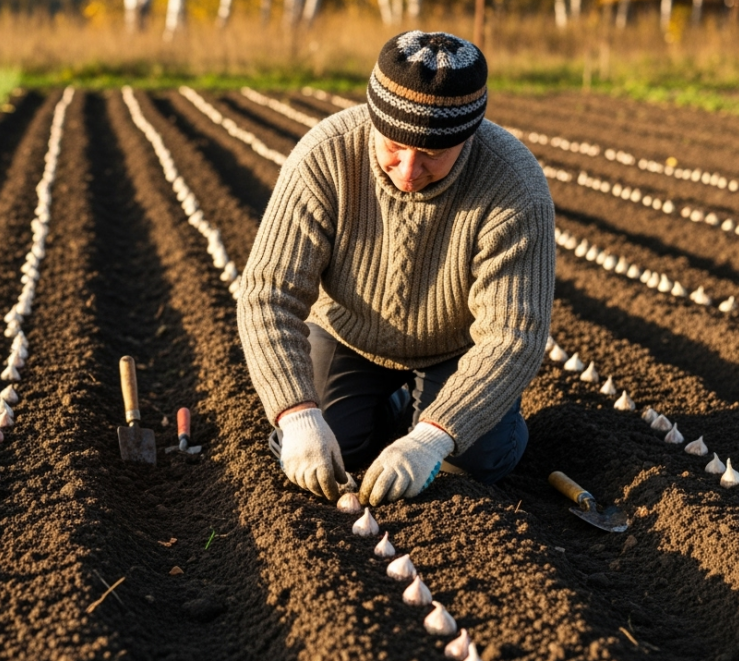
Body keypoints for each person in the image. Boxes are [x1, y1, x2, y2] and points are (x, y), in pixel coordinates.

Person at [236, 30, 555, 506]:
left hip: (456, 347)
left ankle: (457, 413)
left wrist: (434, 435)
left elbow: (513, 334)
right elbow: (267, 294)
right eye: (393, 147)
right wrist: (298, 415)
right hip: (348, 334)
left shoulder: (512, 186)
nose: (408, 170)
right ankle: (393, 406)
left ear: (467, 139)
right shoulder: (325, 159)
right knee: (329, 450)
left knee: (474, 461)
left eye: (431, 154)